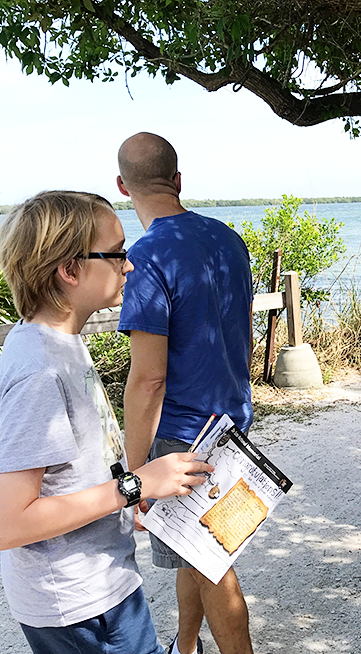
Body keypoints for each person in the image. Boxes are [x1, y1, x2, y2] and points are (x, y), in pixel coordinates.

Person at [0, 191, 213, 654]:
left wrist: (131, 501)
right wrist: (133, 487)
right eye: (117, 254)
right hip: (78, 607)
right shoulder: (38, 370)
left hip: (104, 585)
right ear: (69, 270)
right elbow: (7, 525)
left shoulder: (60, 343)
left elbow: (69, 473)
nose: (129, 266)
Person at [117, 133, 255, 654]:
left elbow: (147, 378)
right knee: (190, 549)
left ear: (121, 187)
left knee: (210, 556)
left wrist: (134, 476)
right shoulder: (227, 238)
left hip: (180, 433)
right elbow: (240, 332)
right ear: (178, 180)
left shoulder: (145, 258)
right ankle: (187, 645)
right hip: (232, 421)